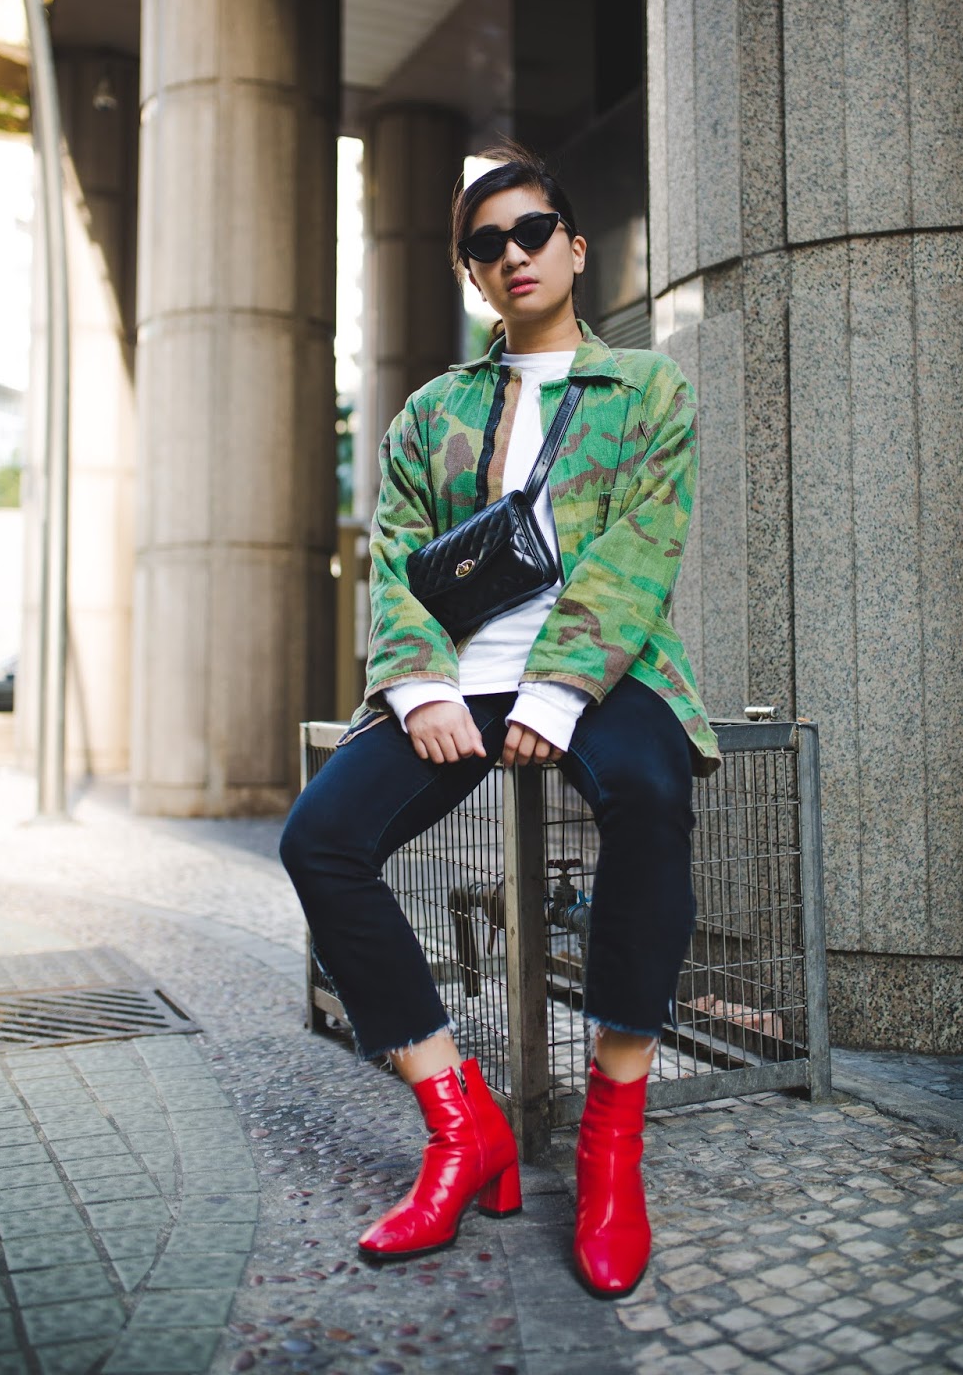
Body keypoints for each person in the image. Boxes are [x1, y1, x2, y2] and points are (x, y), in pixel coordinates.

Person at [280, 146, 719, 1298]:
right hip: (457, 674)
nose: (512, 254)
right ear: (472, 274)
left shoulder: (649, 390)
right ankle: (456, 1118)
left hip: (608, 669)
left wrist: (561, 690)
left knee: (651, 795)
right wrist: (421, 689)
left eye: (532, 232)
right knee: (318, 839)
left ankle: (612, 1138)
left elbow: (641, 552)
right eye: (487, 244)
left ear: (574, 246)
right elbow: (395, 559)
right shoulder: (434, 412)